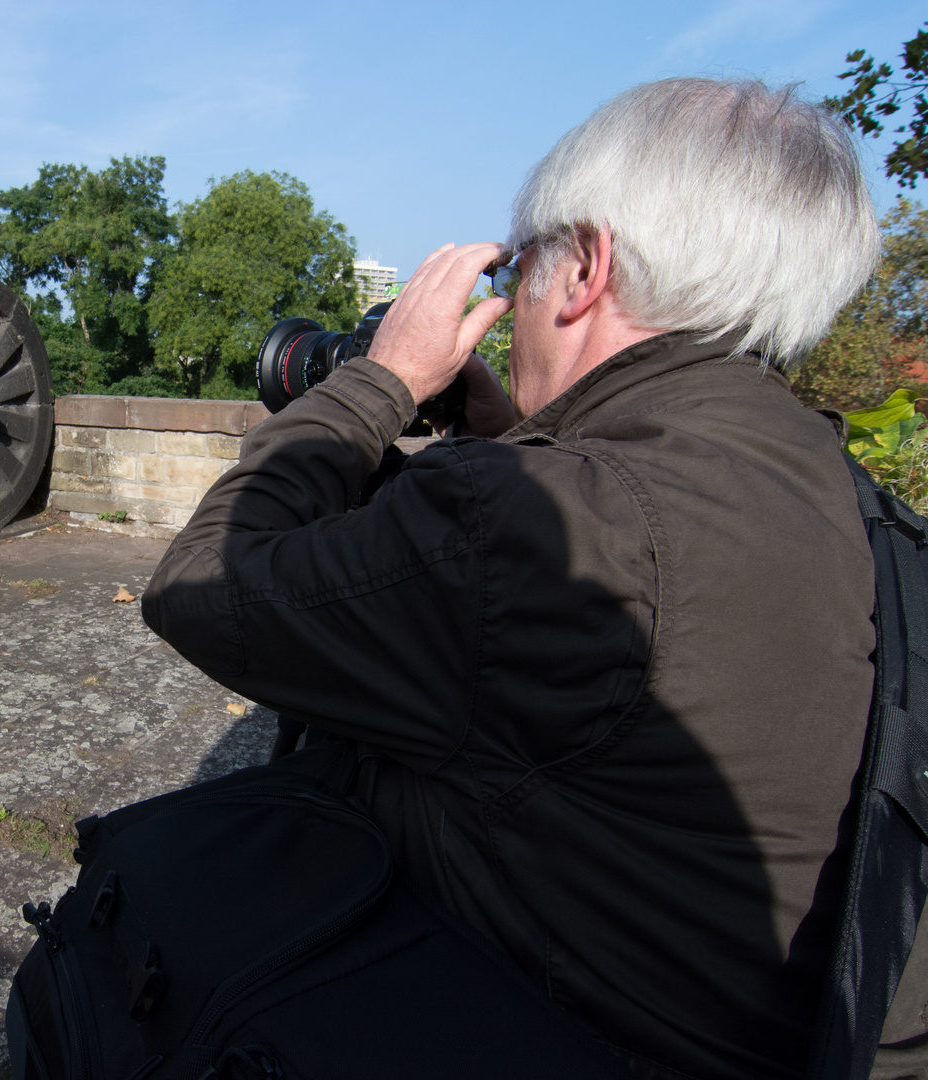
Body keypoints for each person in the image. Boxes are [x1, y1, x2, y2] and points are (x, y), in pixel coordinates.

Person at [141, 78, 883, 1080]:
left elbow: (199, 587)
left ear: (581, 270)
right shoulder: (851, 493)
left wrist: (378, 381)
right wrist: (515, 440)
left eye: (524, 259)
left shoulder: (539, 530)